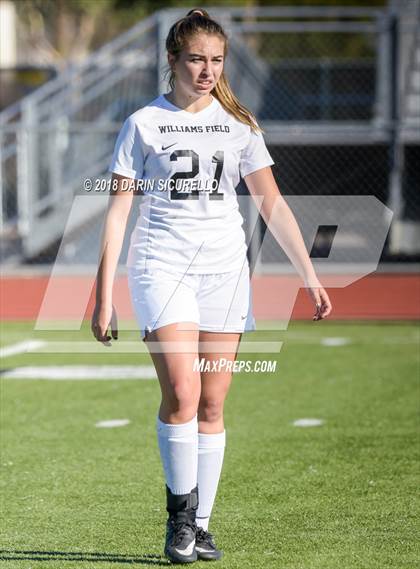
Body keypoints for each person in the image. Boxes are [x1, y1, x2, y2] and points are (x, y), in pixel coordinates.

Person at [91, 8, 332, 565]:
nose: (207, 70)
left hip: (225, 270)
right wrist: (102, 296)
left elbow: (272, 203)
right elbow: (116, 214)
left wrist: (309, 275)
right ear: (172, 60)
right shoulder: (142, 124)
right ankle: (179, 517)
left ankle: (200, 527)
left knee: (214, 402)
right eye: (196, 58)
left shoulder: (239, 125)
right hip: (161, 265)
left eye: (217, 60)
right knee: (182, 393)